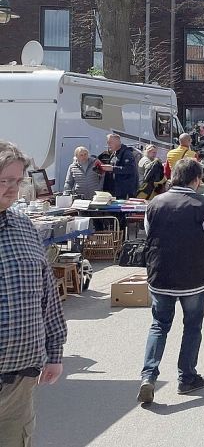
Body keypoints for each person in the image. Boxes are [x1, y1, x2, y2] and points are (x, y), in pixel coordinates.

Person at [138, 158, 204, 404]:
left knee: (159, 325)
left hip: (160, 273)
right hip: (193, 276)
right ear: (197, 179)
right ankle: (186, 377)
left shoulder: (154, 203)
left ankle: (148, 376)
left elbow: (150, 231)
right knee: (192, 326)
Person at [0, 140, 67, 446]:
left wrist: (54, 352)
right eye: (4, 181)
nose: (13, 189)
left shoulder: (24, 226)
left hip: (20, 380)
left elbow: (47, 295)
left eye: (17, 180)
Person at [105, 133, 139, 199]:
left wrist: (113, 169)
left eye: (110, 142)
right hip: (117, 190)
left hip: (126, 190)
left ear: (118, 142)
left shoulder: (127, 153)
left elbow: (130, 169)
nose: (108, 144)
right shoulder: (115, 153)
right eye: (107, 142)